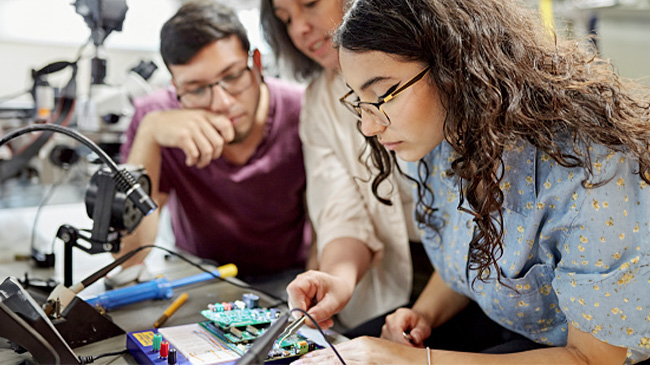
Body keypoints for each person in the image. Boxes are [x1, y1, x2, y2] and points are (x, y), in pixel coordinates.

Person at [292, 0, 650, 363]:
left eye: (382, 94)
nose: (369, 126)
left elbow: (593, 359)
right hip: (509, 325)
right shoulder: (443, 138)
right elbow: (471, 255)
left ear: (454, 64)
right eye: (359, 101)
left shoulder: (593, 170)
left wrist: (411, 360)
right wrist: (424, 315)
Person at [113, 0, 311, 297]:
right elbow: (130, 255)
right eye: (196, 89)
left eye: (232, 76)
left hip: (289, 279)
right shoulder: (158, 118)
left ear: (256, 63)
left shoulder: (303, 111)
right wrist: (149, 134)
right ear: (176, 86)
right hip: (195, 275)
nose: (222, 103)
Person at [260, 0, 432, 330]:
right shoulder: (319, 100)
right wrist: (335, 280)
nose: (299, 29)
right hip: (394, 280)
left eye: (310, 4)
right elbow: (341, 209)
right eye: (285, 19)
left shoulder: (432, 71)